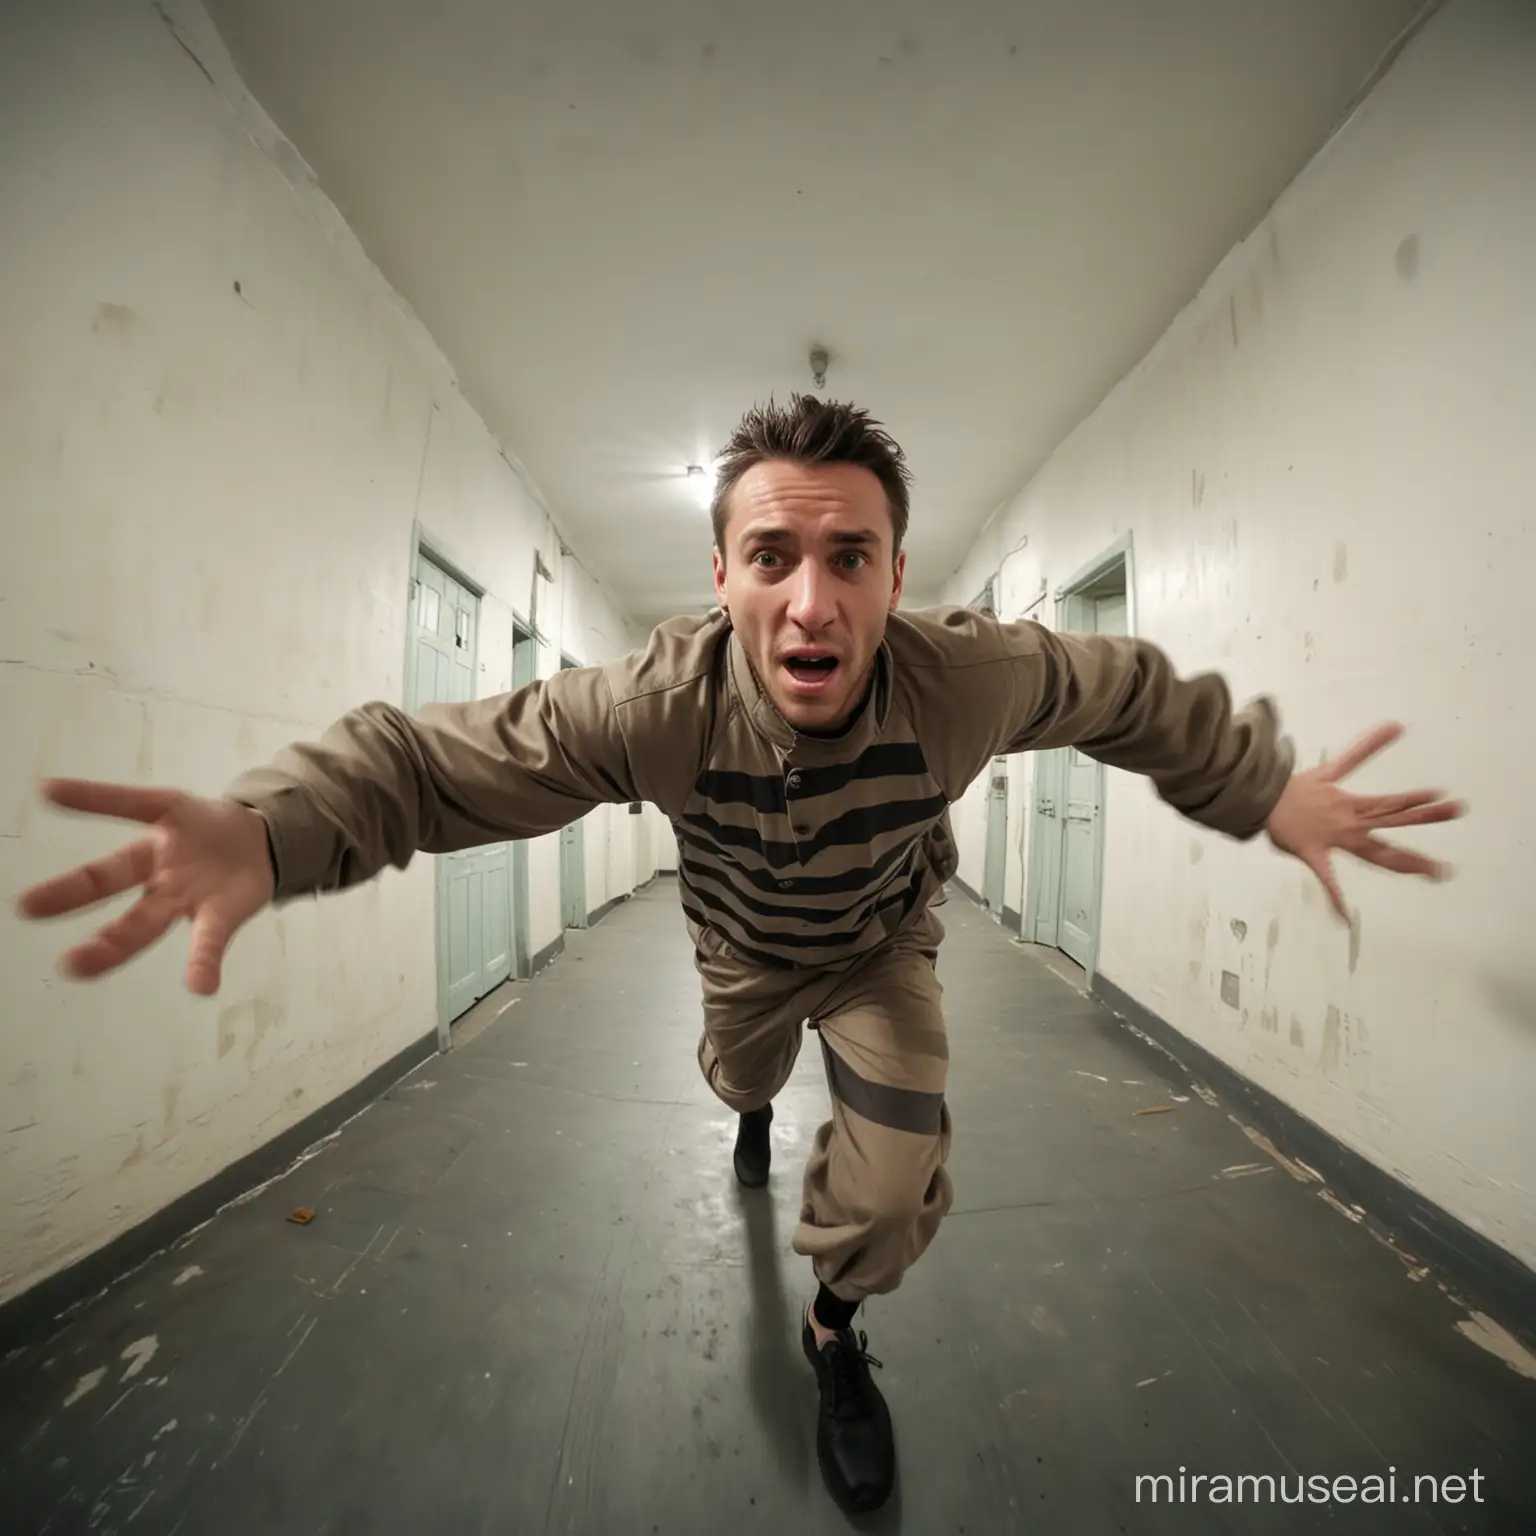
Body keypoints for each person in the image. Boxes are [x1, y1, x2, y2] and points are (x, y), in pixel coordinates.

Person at [17, 396, 1462, 1515]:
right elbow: (429, 764)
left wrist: (1268, 791)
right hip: (745, 960)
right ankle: (758, 1101)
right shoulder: (655, 706)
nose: (812, 605)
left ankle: (834, 1337)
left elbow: (1129, 691)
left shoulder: (970, 680)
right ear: (721, 576)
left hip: (884, 945)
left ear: (899, 572)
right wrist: (273, 832)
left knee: (894, 1192)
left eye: (851, 559)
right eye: (772, 558)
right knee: (737, 1083)